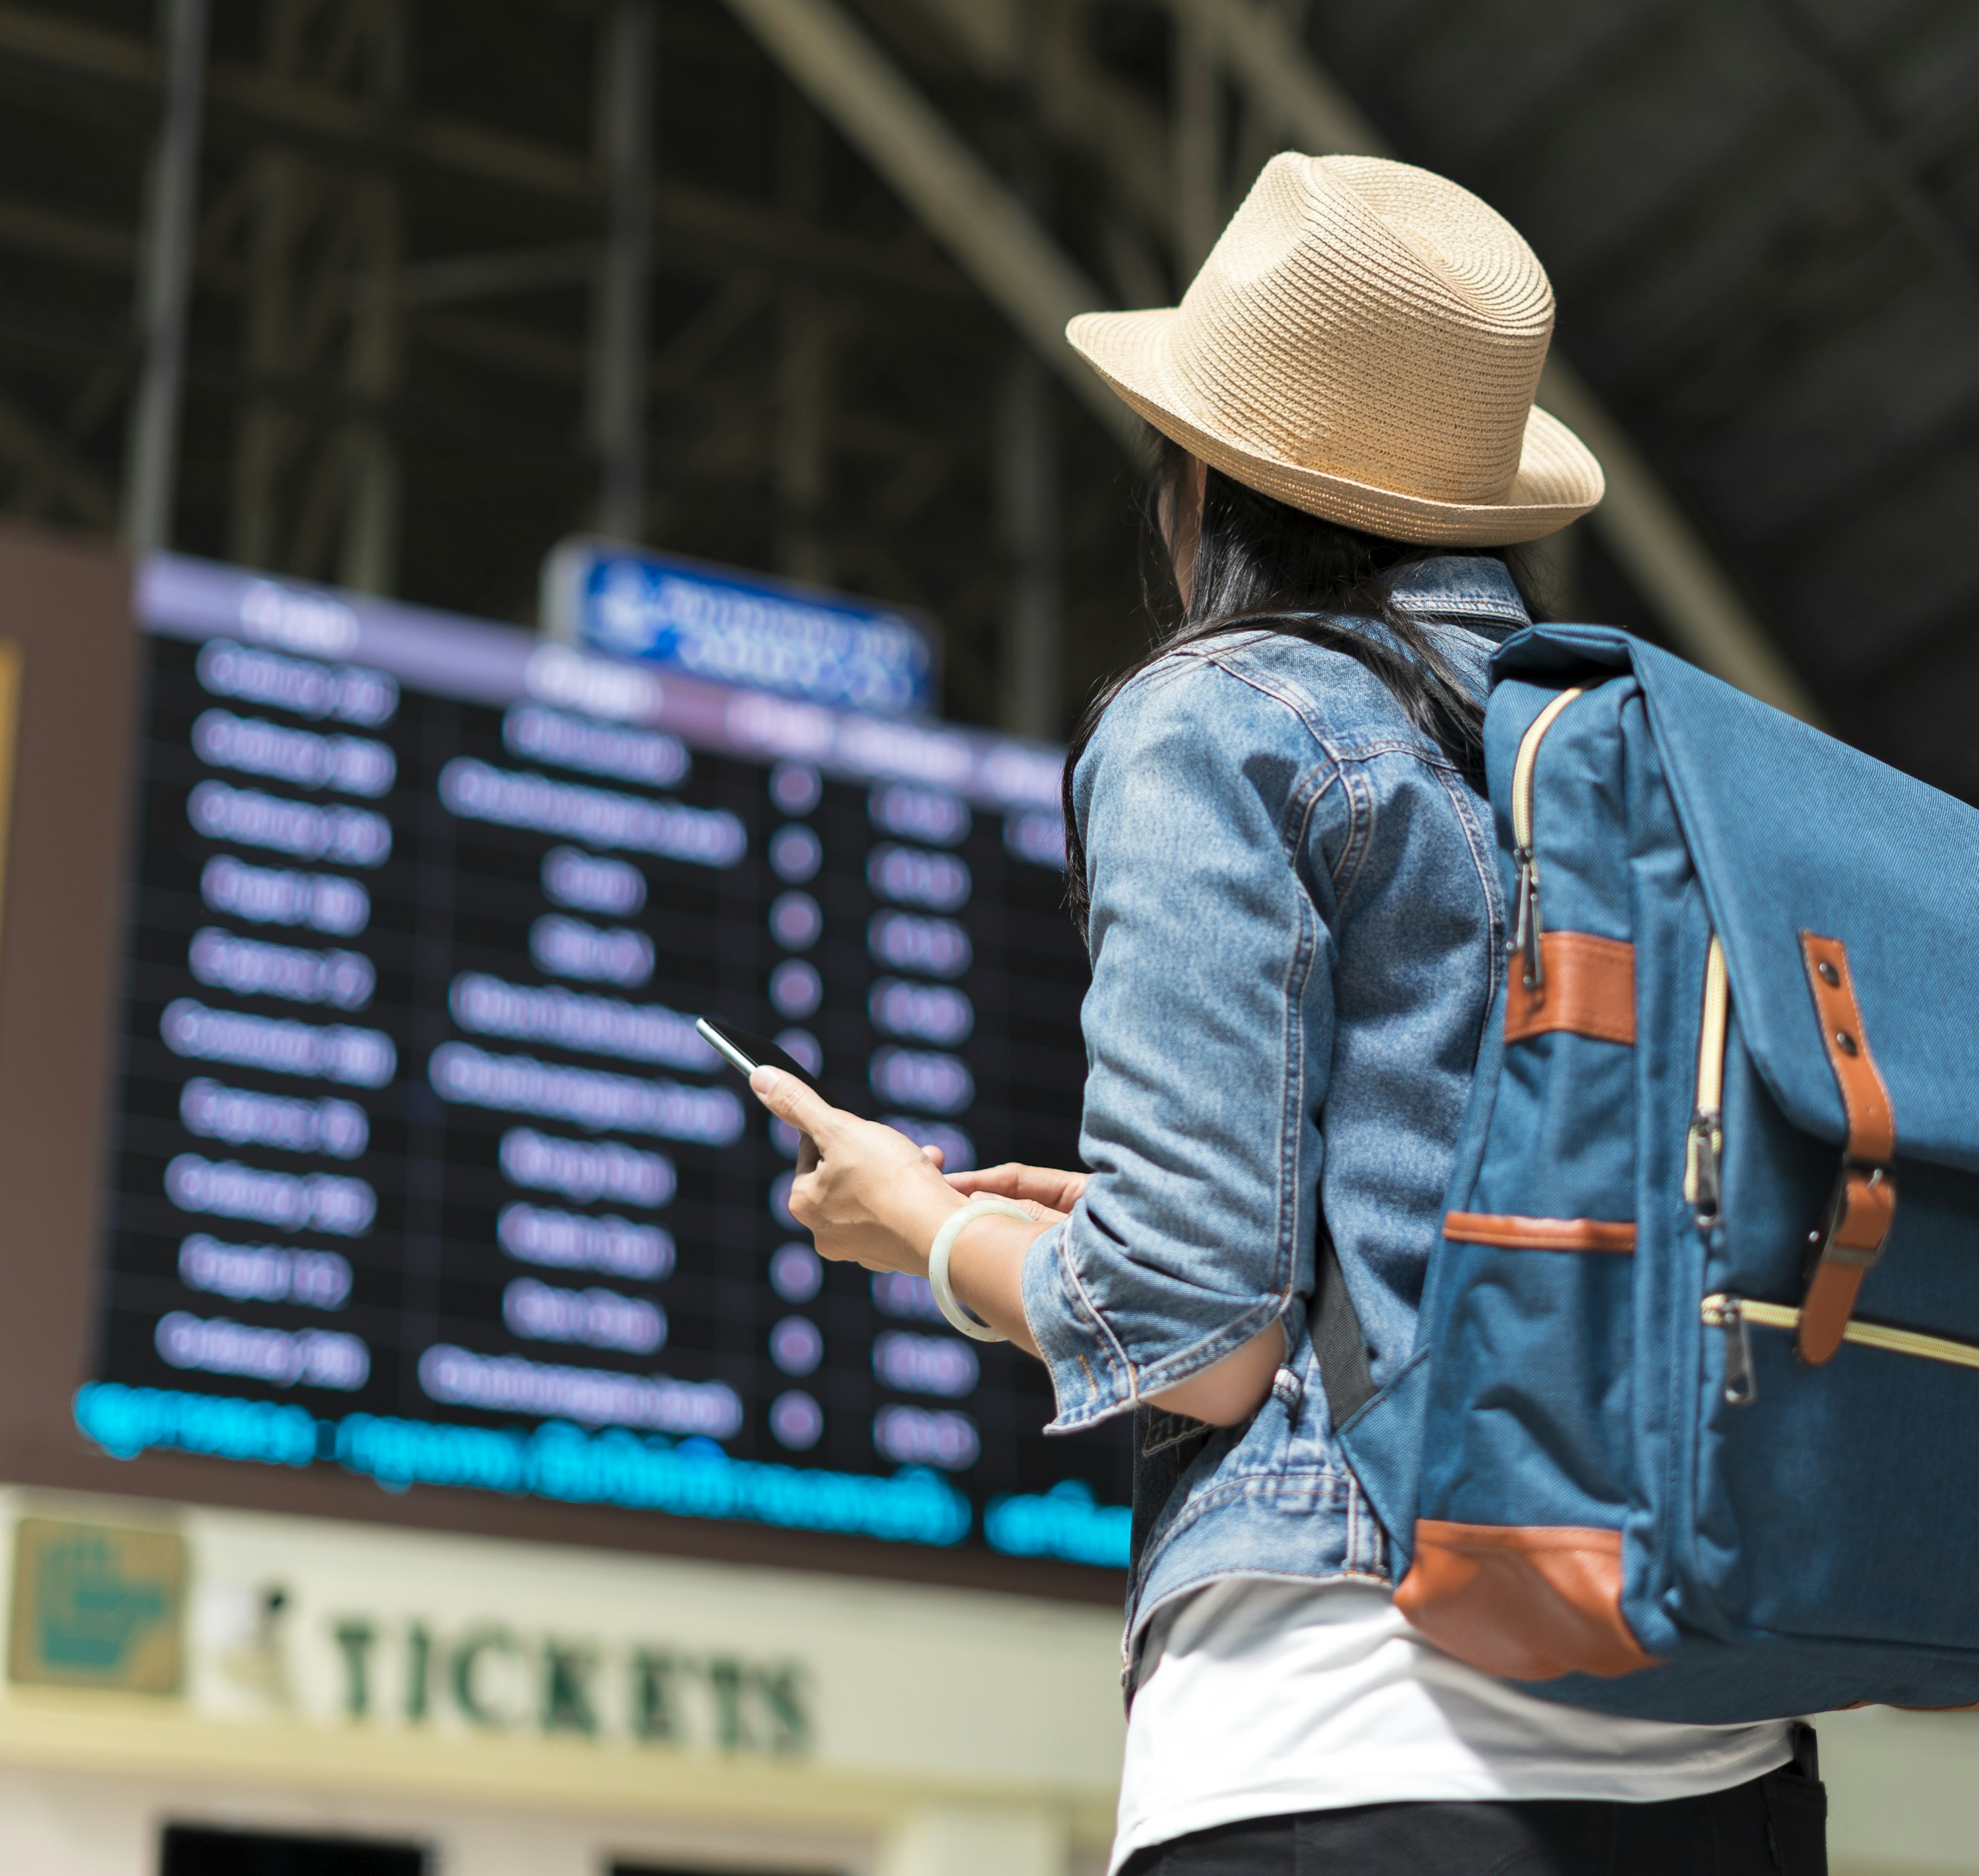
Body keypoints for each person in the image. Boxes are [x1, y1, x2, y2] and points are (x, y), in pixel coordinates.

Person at [759, 155, 1827, 1875]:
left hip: (1351, 1736)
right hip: (1725, 1759)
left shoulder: (1223, 717)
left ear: (1205, 480)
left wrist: (926, 1236)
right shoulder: (1640, 752)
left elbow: (1198, 1336)